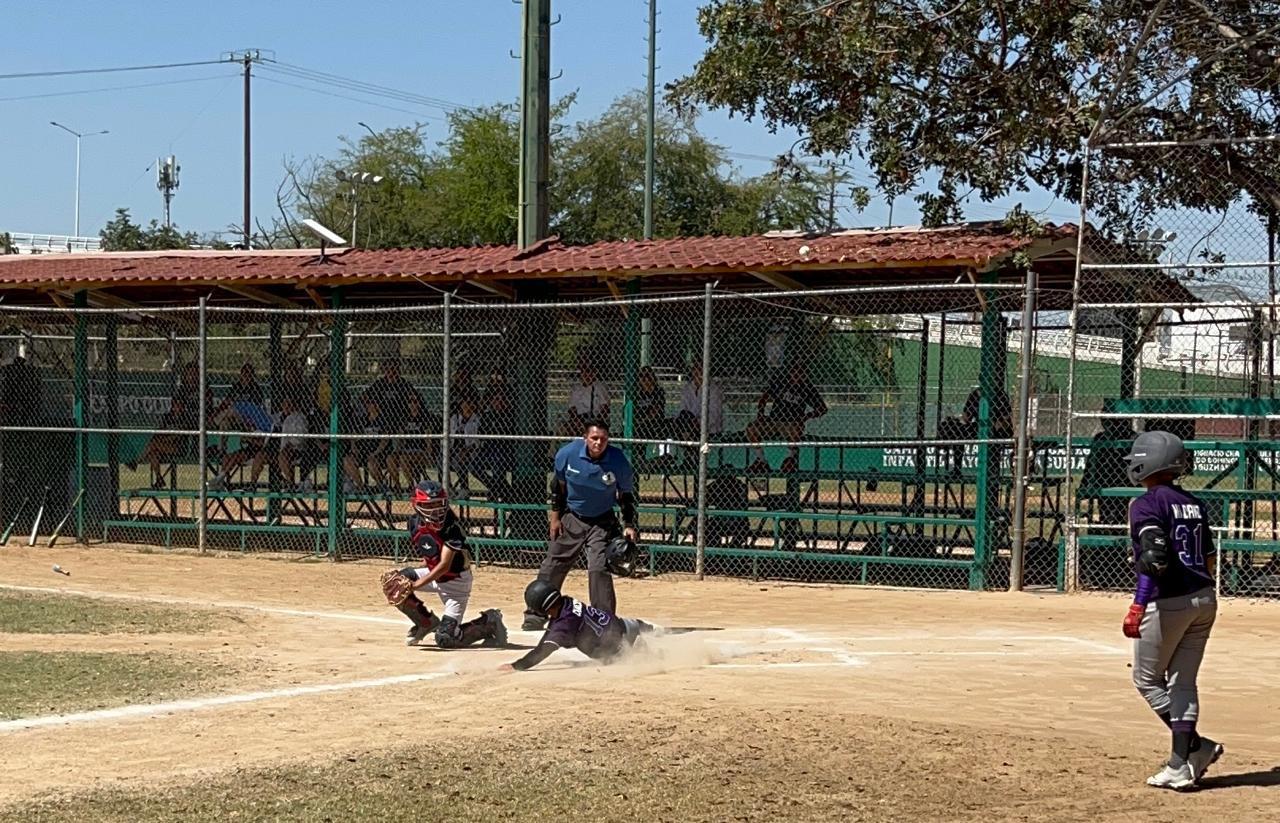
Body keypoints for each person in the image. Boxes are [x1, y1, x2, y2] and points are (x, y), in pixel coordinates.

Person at [1121, 430, 1224, 791]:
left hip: (1169, 602)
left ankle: (1196, 746)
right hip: (1205, 598)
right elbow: (1209, 557)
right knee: (1183, 682)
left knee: (1147, 680)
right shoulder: (1194, 502)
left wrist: (1138, 604)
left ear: (1149, 462)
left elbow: (1153, 558)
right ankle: (1181, 765)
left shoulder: (1145, 504)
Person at [522, 417, 638, 631]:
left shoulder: (618, 460)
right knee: (554, 562)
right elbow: (558, 488)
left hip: (602, 520)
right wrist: (555, 518)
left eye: (603, 439)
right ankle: (536, 613)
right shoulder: (567, 454)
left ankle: (604, 619)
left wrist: (628, 524)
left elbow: (625, 495)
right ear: (585, 438)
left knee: (598, 568)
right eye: (594, 438)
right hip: (573, 516)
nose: (598, 443)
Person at [379, 480, 507, 648]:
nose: (435, 511)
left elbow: (444, 566)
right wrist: (411, 581)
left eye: (439, 505)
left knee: (446, 639)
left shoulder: (451, 527)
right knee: (394, 584)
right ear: (416, 505)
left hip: (455, 583)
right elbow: (430, 553)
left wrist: (415, 585)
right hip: (435, 576)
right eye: (429, 505)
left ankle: (489, 622)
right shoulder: (414, 523)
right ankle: (425, 623)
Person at [501, 580, 654, 672]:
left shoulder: (562, 626)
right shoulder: (568, 602)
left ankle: (641, 653)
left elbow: (542, 651)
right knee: (652, 632)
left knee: (626, 658)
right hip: (626, 624)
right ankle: (650, 631)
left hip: (618, 649)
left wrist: (517, 665)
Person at [745, 360, 827, 473]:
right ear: (790, 373)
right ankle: (761, 461)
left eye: (801, 373)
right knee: (751, 429)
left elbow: (822, 409)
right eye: (795, 372)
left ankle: (790, 459)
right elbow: (764, 398)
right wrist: (761, 414)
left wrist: (806, 417)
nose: (798, 376)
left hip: (791, 423)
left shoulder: (807, 388)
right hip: (773, 421)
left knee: (797, 428)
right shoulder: (782, 382)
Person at [632, 366, 667, 442]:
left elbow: (654, 412)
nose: (645, 379)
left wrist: (641, 420)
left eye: (647, 375)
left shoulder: (658, 392)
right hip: (639, 425)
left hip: (654, 424)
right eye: (641, 376)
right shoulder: (637, 393)